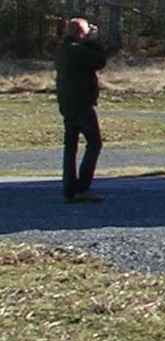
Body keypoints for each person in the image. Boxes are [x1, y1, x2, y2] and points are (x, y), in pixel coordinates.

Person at [55, 16, 109, 204]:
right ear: (80, 33)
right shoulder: (76, 50)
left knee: (70, 146)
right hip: (81, 103)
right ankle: (82, 188)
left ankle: (69, 189)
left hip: (67, 103)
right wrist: (94, 41)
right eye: (86, 31)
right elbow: (99, 61)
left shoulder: (63, 49)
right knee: (94, 143)